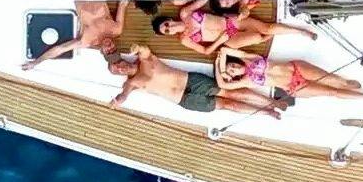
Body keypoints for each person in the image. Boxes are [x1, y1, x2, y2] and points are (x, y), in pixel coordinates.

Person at [106, 46, 284, 118]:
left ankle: (272, 102)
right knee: (228, 104)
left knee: (231, 93)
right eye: (116, 72)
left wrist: (137, 47)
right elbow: (123, 96)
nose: (120, 69)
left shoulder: (145, 61)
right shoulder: (131, 83)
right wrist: (117, 101)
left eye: (118, 65)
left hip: (191, 80)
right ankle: (266, 113)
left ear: (123, 60)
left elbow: (144, 50)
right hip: (184, 100)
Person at [151, 0, 317, 56]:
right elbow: (205, 51)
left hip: (230, 21)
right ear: (169, 34)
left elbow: (202, 0)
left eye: (166, 25)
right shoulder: (184, 39)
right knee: (259, 37)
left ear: (168, 19)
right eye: (166, 31)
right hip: (229, 38)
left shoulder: (185, 13)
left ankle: (300, 31)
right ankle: (280, 33)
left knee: (266, 28)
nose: (169, 28)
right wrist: (218, 41)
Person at [215, 48, 363, 101]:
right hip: (294, 86)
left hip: (296, 69)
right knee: (332, 92)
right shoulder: (246, 81)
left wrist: (221, 62)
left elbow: (224, 50)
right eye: (231, 71)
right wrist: (219, 68)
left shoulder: (249, 58)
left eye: (231, 65)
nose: (233, 68)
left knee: (332, 79)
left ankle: (344, 82)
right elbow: (223, 85)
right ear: (233, 76)